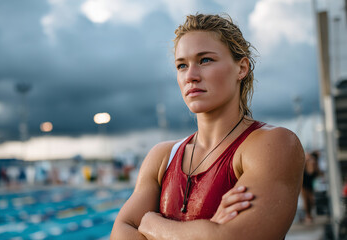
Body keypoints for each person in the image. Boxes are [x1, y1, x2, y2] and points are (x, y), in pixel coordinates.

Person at [111, 13, 305, 240]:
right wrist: (209, 230)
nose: (191, 76)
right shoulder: (162, 157)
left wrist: (151, 223)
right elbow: (120, 232)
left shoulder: (273, 144)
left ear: (241, 68)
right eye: (182, 65)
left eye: (205, 60)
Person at [301, 151, 321, 223]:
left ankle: (309, 215)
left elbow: (315, 173)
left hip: (309, 186)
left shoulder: (315, 166)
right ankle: (308, 215)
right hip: (304, 186)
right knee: (306, 201)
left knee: (311, 201)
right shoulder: (305, 164)